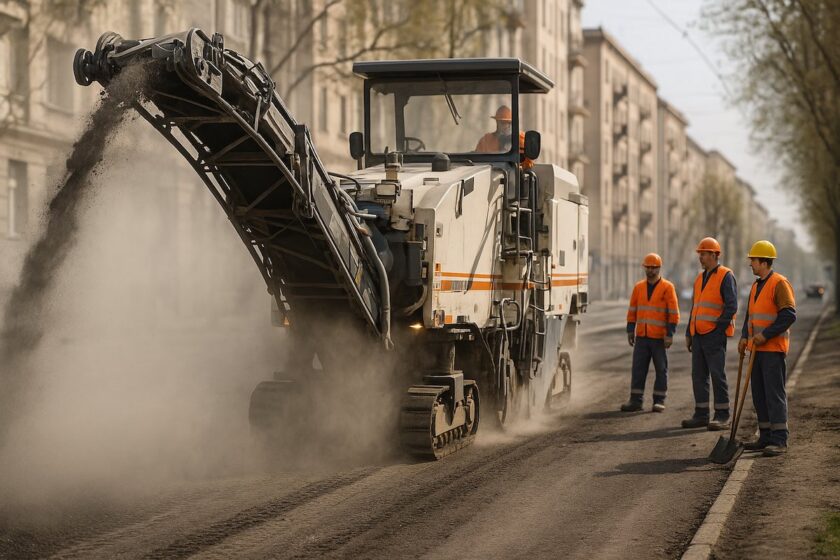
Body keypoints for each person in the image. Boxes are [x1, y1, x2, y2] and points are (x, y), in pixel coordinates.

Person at [738, 240, 796, 457]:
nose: (750, 264)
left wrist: (765, 335)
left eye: (753, 260)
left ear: (763, 262)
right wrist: (745, 336)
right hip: (756, 350)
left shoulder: (779, 283)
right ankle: (765, 436)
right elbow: (750, 316)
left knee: (774, 394)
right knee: (759, 394)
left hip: (773, 350)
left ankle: (780, 439)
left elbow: (789, 315)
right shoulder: (755, 285)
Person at [683, 237, 738, 430]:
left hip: (713, 335)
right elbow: (695, 307)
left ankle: (723, 415)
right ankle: (701, 414)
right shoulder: (700, 278)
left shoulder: (726, 276)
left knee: (717, 374)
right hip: (698, 334)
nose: (701, 257)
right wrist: (689, 332)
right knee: (698, 376)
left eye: (704, 254)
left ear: (714, 255)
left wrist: (718, 330)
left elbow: (731, 306)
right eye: (700, 253)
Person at [621, 253, 680, 412]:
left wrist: (669, 333)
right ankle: (636, 401)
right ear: (644, 268)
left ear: (659, 268)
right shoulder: (638, 287)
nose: (651, 270)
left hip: (659, 337)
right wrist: (630, 330)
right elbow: (632, 310)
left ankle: (659, 400)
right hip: (642, 337)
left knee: (661, 369)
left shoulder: (667, 287)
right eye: (648, 267)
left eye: (654, 268)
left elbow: (673, 313)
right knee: (638, 369)